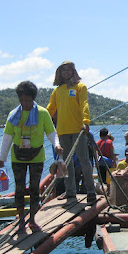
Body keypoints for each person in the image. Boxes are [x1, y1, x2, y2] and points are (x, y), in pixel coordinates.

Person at [0, 81, 63, 234]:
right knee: (19, 188)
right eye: (22, 100)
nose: (25, 103)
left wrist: (56, 145)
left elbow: (51, 133)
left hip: (36, 156)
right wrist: (2, 158)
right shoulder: (13, 115)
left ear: (33, 98)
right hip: (18, 157)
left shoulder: (42, 113)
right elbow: (7, 137)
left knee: (34, 188)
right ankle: (20, 220)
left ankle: (32, 219)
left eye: (27, 100)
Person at [46, 61, 96, 201]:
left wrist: (86, 122)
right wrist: (40, 120)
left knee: (84, 160)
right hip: (62, 131)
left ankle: (90, 191)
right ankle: (70, 192)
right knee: (67, 162)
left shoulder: (80, 87)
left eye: (69, 70)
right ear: (60, 73)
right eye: (64, 70)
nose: (66, 72)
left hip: (78, 129)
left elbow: (84, 105)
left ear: (74, 71)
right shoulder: (57, 90)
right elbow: (50, 108)